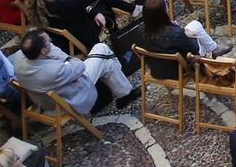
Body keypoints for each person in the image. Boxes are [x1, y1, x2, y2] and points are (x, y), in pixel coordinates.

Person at [10, 28, 139, 115]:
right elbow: (78, 66)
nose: (51, 42)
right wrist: (64, 58)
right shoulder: (54, 71)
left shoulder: (19, 57)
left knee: (108, 64)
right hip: (74, 94)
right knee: (102, 48)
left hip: (48, 100)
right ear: (43, 51)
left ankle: (124, 93)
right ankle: (123, 82)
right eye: (48, 42)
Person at [140, 0, 225, 77]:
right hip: (179, 70)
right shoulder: (175, 33)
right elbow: (193, 50)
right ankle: (213, 50)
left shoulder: (143, 33)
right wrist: (186, 35)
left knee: (195, 25)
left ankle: (214, 48)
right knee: (198, 36)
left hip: (158, 70)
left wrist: (183, 32)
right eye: (166, 5)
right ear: (163, 13)